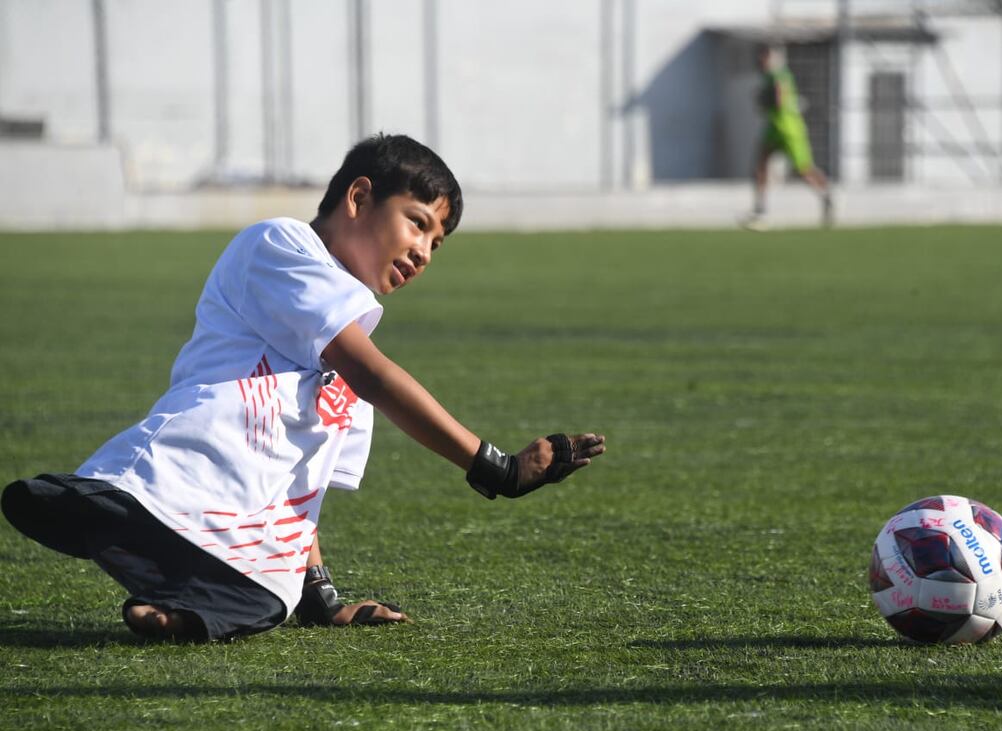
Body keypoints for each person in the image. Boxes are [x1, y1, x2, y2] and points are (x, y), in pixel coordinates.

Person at [1, 133, 605, 643]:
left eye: (436, 244)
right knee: (157, 508)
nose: (422, 252)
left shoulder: (352, 322)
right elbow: (374, 374)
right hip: (189, 468)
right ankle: (92, 509)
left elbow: (301, 491)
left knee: (267, 599)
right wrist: (495, 467)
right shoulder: (280, 245)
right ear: (359, 197)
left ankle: (176, 606)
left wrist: (320, 597)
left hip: (238, 516)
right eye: (416, 223)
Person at [742, 44, 833, 230]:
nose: (762, 63)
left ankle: (826, 196)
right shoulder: (768, 77)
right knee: (760, 165)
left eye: (764, 59)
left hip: (790, 131)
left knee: (804, 171)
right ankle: (760, 210)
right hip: (774, 129)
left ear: (771, 59)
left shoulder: (779, 75)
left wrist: (766, 101)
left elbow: (779, 97)